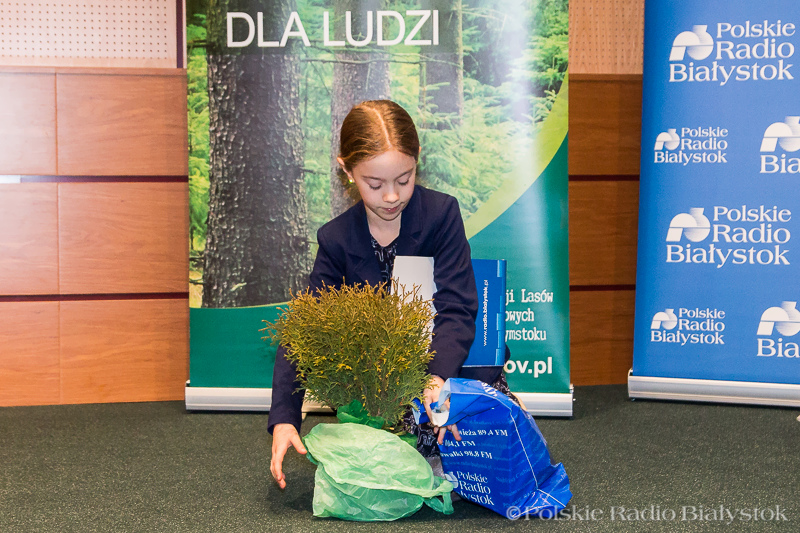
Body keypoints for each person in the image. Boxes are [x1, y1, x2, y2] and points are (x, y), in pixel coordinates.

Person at [268, 100, 508, 489]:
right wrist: (284, 418)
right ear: (347, 170)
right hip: (382, 386)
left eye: (404, 179)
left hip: (450, 365)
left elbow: (458, 307)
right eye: (375, 184)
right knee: (389, 464)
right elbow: (304, 331)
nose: (392, 196)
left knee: (487, 457)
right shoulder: (336, 238)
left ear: (417, 160)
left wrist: (437, 379)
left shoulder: (441, 215)